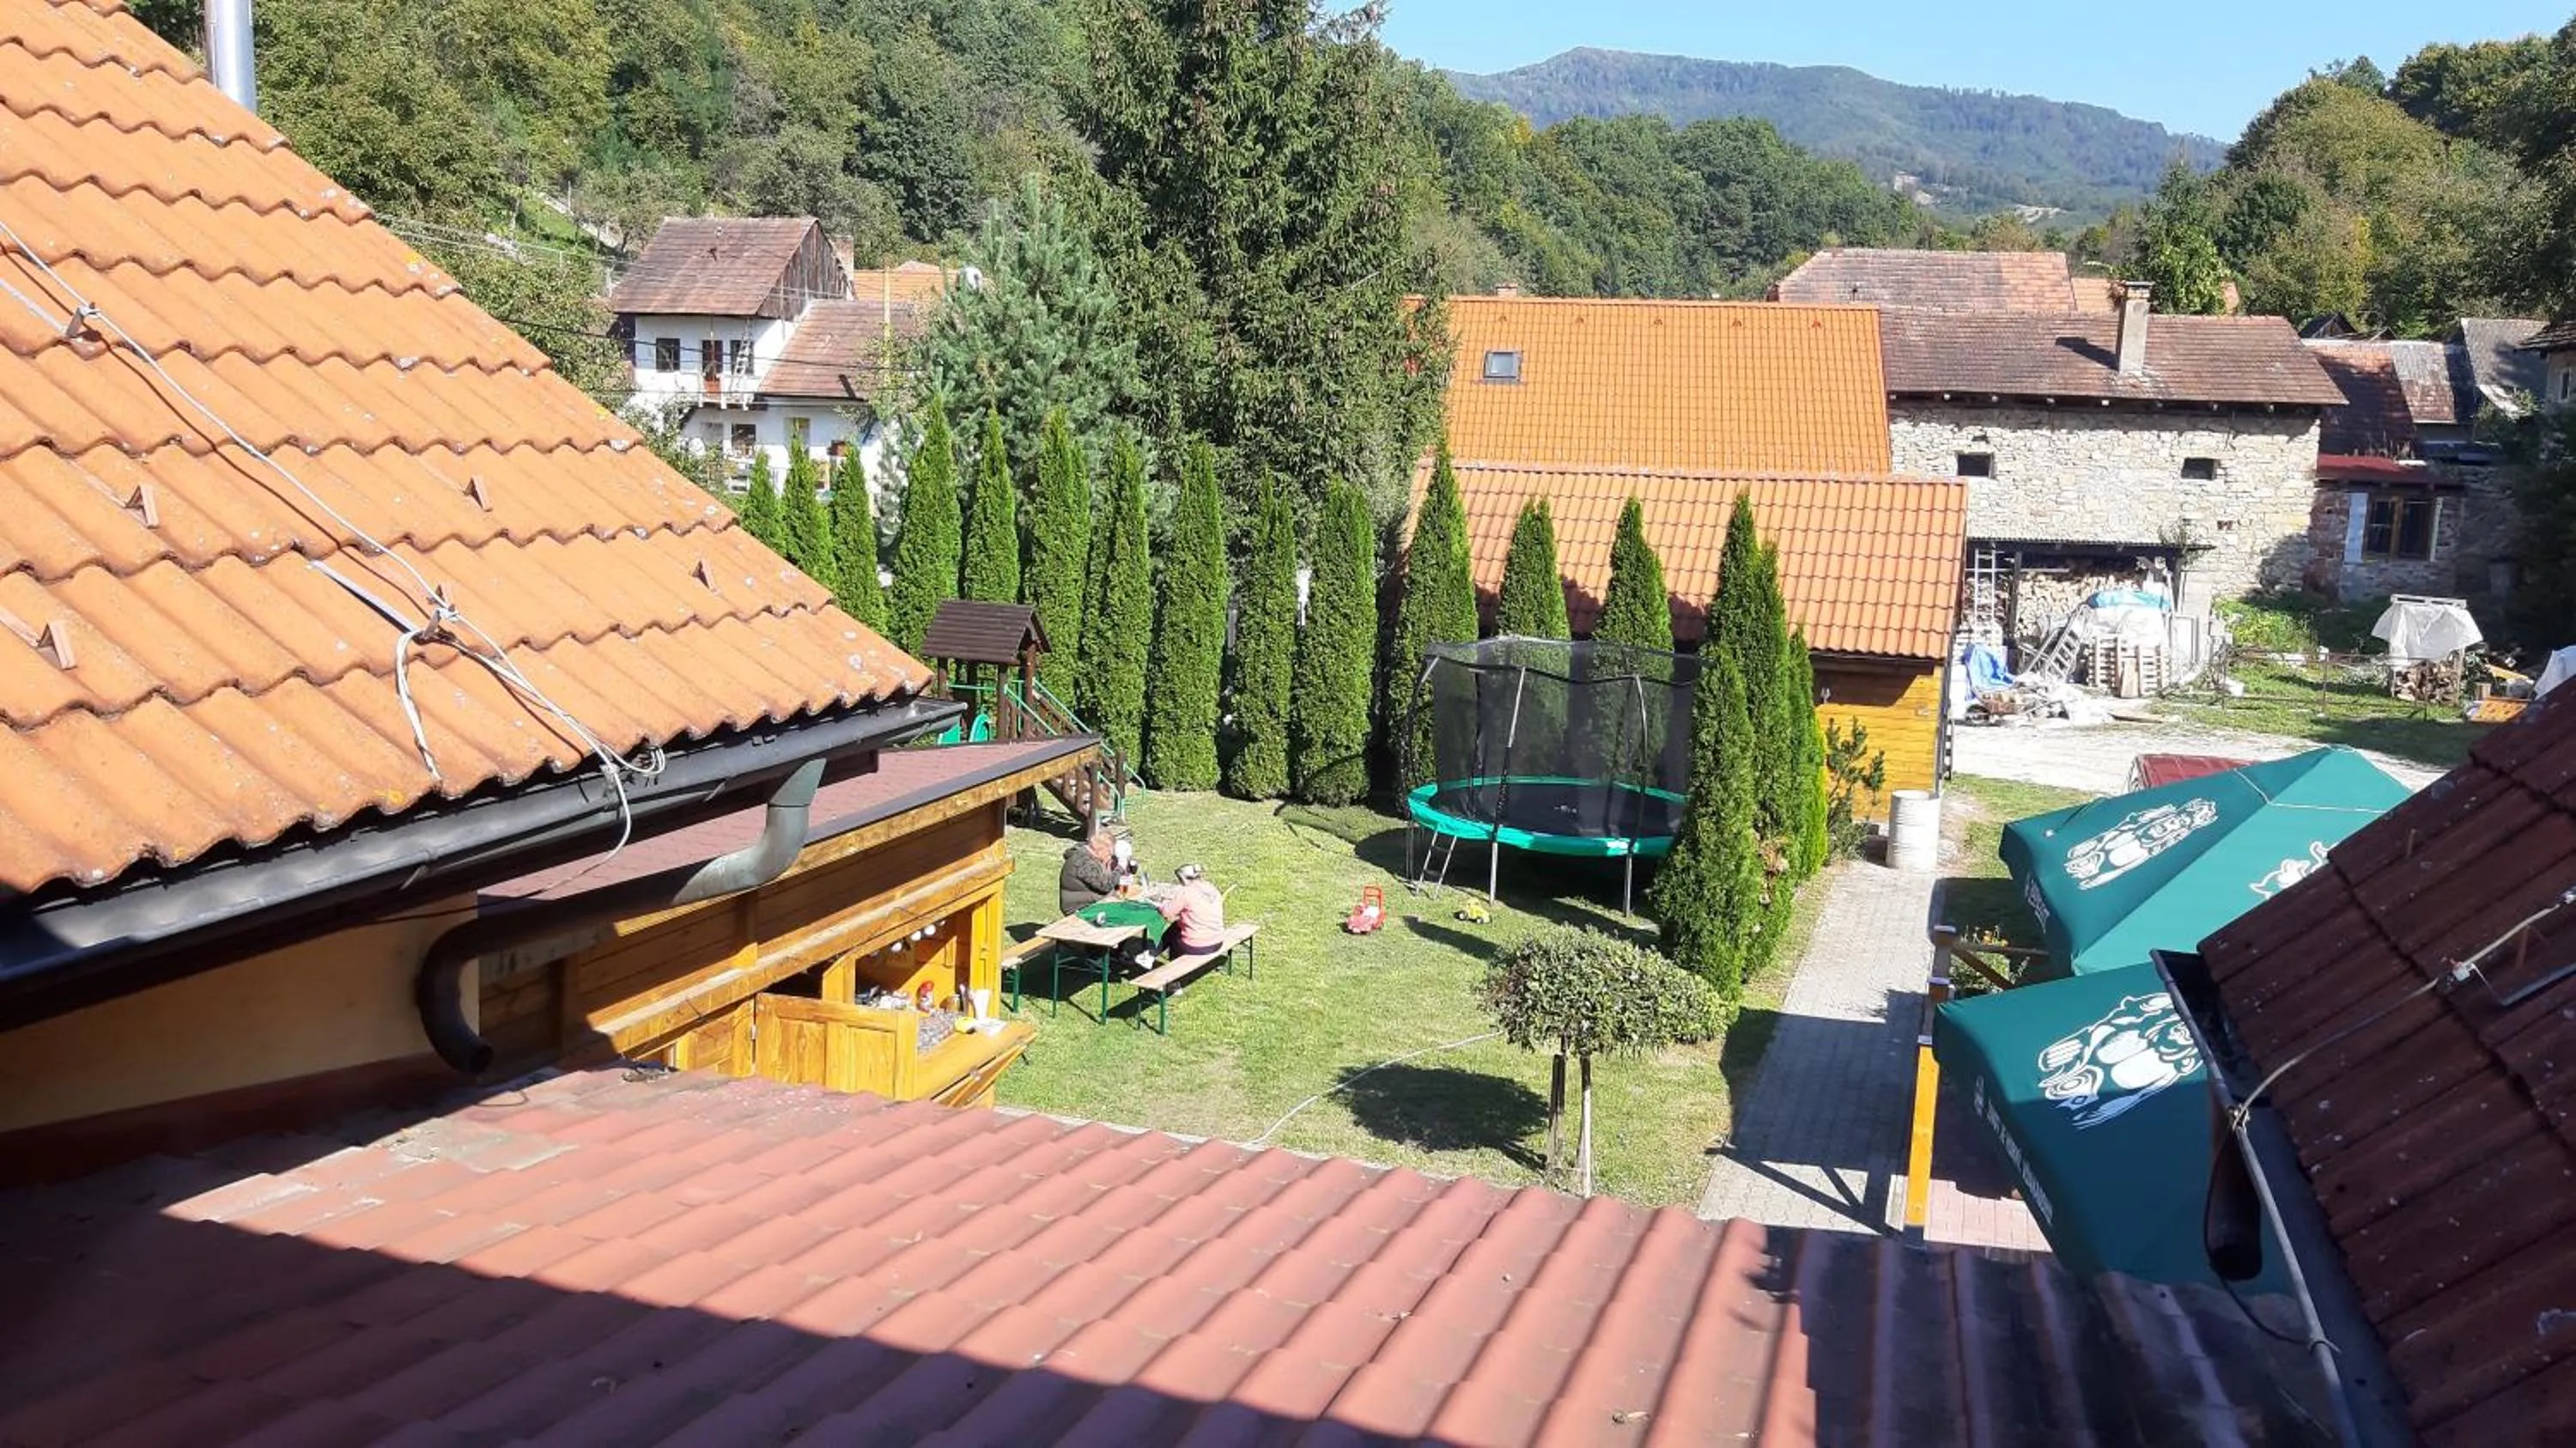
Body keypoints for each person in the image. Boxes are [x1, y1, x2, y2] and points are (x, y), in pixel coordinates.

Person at [1154, 862, 1225, 963]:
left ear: (1183, 879)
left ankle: (1169, 965)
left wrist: (1160, 904)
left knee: (1173, 934)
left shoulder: (1186, 892)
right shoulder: (1211, 887)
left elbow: (1166, 913)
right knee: (1176, 926)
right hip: (1217, 940)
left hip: (1197, 946)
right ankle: (1152, 954)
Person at [1058, 830, 1120, 916]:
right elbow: (1105, 885)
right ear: (1100, 849)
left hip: (1091, 901)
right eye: (1109, 853)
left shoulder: (1092, 857)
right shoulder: (1082, 862)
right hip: (1079, 907)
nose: (1110, 856)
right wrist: (1119, 869)